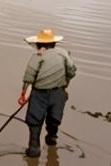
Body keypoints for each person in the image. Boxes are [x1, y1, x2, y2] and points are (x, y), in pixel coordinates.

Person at [17, 29, 77, 158]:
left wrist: (23, 96)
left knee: (34, 120)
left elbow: (28, 79)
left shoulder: (37, 57)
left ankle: (34, 148)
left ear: (39, 44)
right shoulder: (63, 54)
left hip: (39, 94)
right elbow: (72, 72)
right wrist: (65, 85)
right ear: (54, 43)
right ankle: (51, 138)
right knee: (54, 118)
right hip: (58, 93)